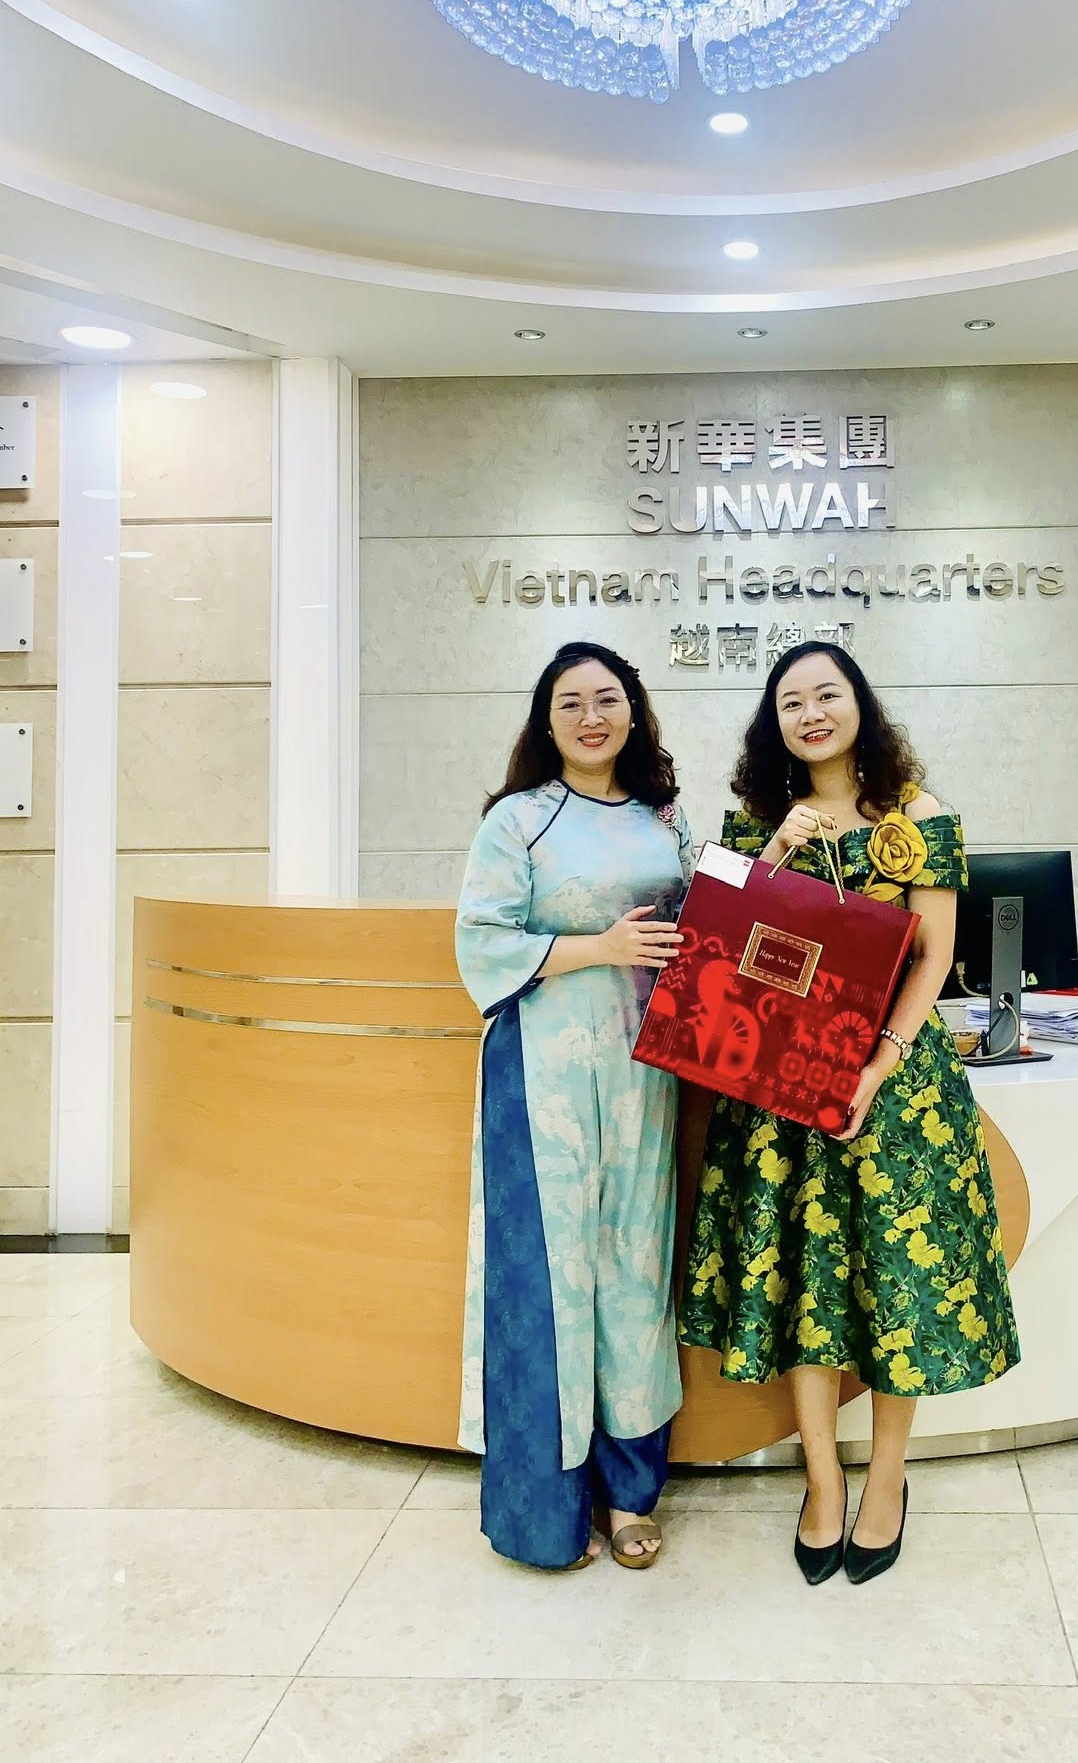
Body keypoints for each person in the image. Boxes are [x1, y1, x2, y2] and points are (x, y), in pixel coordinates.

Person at [680, 640, 1020, 1585]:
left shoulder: (920, 816)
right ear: (774, 723)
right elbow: (716, 940)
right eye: (791, 701)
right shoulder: (755, 823)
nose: (812, 713)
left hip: (894, 1085)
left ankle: (888, 1478)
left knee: (897, 1282)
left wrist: (877, 1067)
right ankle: (822, 1479)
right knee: (803, 1281)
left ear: (860, 705)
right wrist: (775, 854)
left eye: (827, 694)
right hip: (778, 1086)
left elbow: (935, 956)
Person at [455, 641, 692, 1572]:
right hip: (541, 1071)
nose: (591, 717)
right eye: (570, 703)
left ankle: (631, 1493)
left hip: (645, 1072)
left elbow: (704, 926)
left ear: (633, 709)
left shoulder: (665, 819)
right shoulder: (516, 819)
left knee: (635, 1269)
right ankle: (543, 1511)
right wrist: (600, 948)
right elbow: (480, 941)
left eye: (607, 699)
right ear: (545, 721)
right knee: (546, 1279)